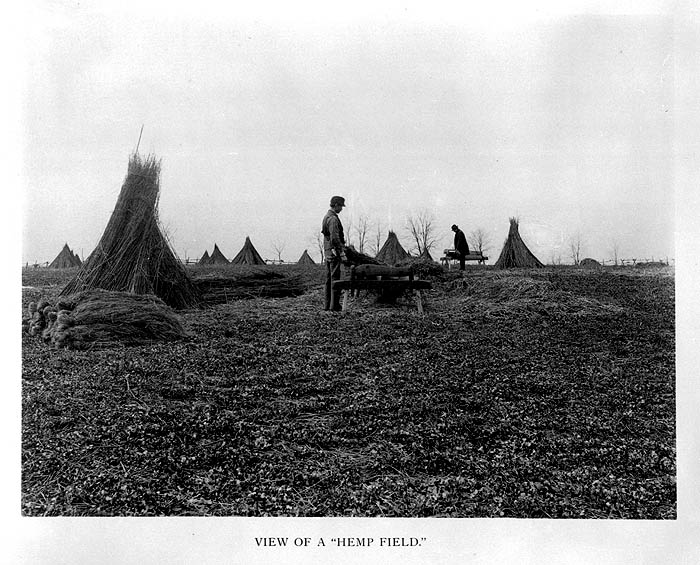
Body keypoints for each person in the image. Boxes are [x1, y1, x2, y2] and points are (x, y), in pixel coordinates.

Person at [321, 196, 347, 311]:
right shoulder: (333, 219)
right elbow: (335, 238)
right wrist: (341, 252)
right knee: (335, 279)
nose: (341, 209)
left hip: (328, 252)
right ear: (335, 205)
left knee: (328, 280)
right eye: (340, 206)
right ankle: (334, 306)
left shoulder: (326, 216)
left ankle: (327, 306)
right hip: (334, 252)